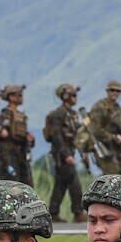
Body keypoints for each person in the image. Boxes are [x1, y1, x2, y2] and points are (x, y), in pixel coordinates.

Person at [43, 84, 84, 222]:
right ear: (65, 96)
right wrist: (66, 155)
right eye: (72, 95)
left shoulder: (72, 114)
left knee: (60, 184)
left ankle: (53, 213)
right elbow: (56, 137)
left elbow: (76, 135)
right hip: (61, 155)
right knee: (74, 183)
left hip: (70, 152)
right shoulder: (58, 114)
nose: (75, 98)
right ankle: (78, 212)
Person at [88, 81, 121, 175]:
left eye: (118, 91)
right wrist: (113, 137)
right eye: (112, 90)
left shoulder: (118, 109)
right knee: (113, 177)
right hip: (103, 148)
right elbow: (95, 130)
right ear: (107, 91)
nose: (115, 93)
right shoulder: (99, 107)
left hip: (117, 150)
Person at [0, 85, 34, 185]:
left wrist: (28, 138)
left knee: (27, 184)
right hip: (9, 155)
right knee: (12, 184)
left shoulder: (20, 115)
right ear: (11, 97)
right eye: (18, 95)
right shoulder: (6, 114)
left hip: (22, 154)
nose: (21, 97)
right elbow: (2, 134)